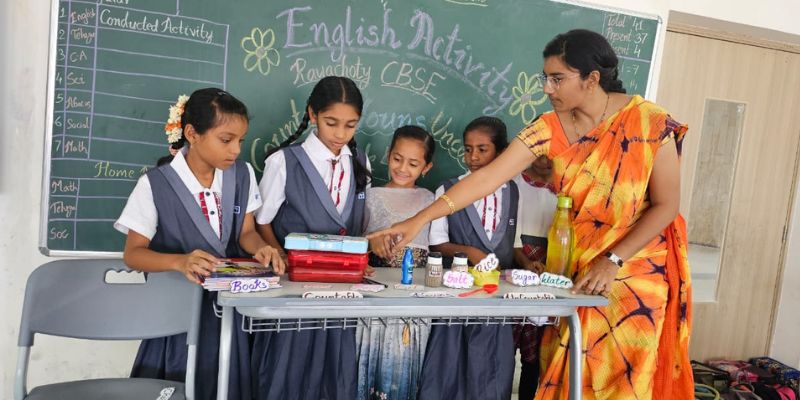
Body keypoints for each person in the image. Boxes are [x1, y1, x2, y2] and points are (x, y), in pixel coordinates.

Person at [369, 29, 693, 399]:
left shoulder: (650, 123)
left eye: (557, 78)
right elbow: (487, 177)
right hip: (577, 271)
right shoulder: (549, 127)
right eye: (545, 77)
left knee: (624, 384)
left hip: (634, 275)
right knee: (569, 376)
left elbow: (667, 205)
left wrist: (613, 260)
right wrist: (419, 219)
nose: (546, 88)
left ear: (591, 79)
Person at [114, 88, 286, 400]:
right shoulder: (155, 184)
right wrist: (179, 261)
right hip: (175, 317)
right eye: (226, 139)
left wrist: (260, 247)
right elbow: (133, 254)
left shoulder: (243, 174)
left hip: (230, 311)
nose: (236, 150)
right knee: (178, 386)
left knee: (227, 385)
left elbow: (246, 232)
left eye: (241, 141)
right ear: (192, 134)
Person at [252, 76, 371, 400]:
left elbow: (358, 222)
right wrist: (280, 256)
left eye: (350, 125)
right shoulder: (284, 161)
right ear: (312, 114)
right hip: (295, 285)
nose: (340, 134)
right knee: (290, 366)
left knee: (335, 369)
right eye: (332, 123)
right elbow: (261, 222)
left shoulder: (359, 162)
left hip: (343, 288)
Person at [418, 116, 519, 400]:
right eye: (468, 149)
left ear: (502, 151)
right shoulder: (448, 189)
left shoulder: (512, 191)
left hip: (495, 301)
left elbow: (511, 241)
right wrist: (472, 253)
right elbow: (437, 243)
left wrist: (527, 263)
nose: (472, 157)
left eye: (482, 149)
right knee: (449, 368)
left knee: (491, 372)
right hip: (456, 296)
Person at [359, 125, 436, 400]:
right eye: (397, 159)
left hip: (415, 299)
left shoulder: (431, 200)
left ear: (426, 167)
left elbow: (436, 247)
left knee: (406, 361)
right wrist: (370, 243)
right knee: (371, 354)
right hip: (374, 297)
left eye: (413, 164)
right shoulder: (370, 196)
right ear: (388, 155)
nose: (402, 168)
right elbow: (354, 242)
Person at [512, 155, 558, 400]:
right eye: (541, 152)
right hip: (515, 269)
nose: (546, 160)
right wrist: (527, 263)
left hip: (551, 273)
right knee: (506, 348)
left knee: (536, 355)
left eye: (554, 155)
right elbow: (508, 236)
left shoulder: (568, 187)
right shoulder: (513, 183)